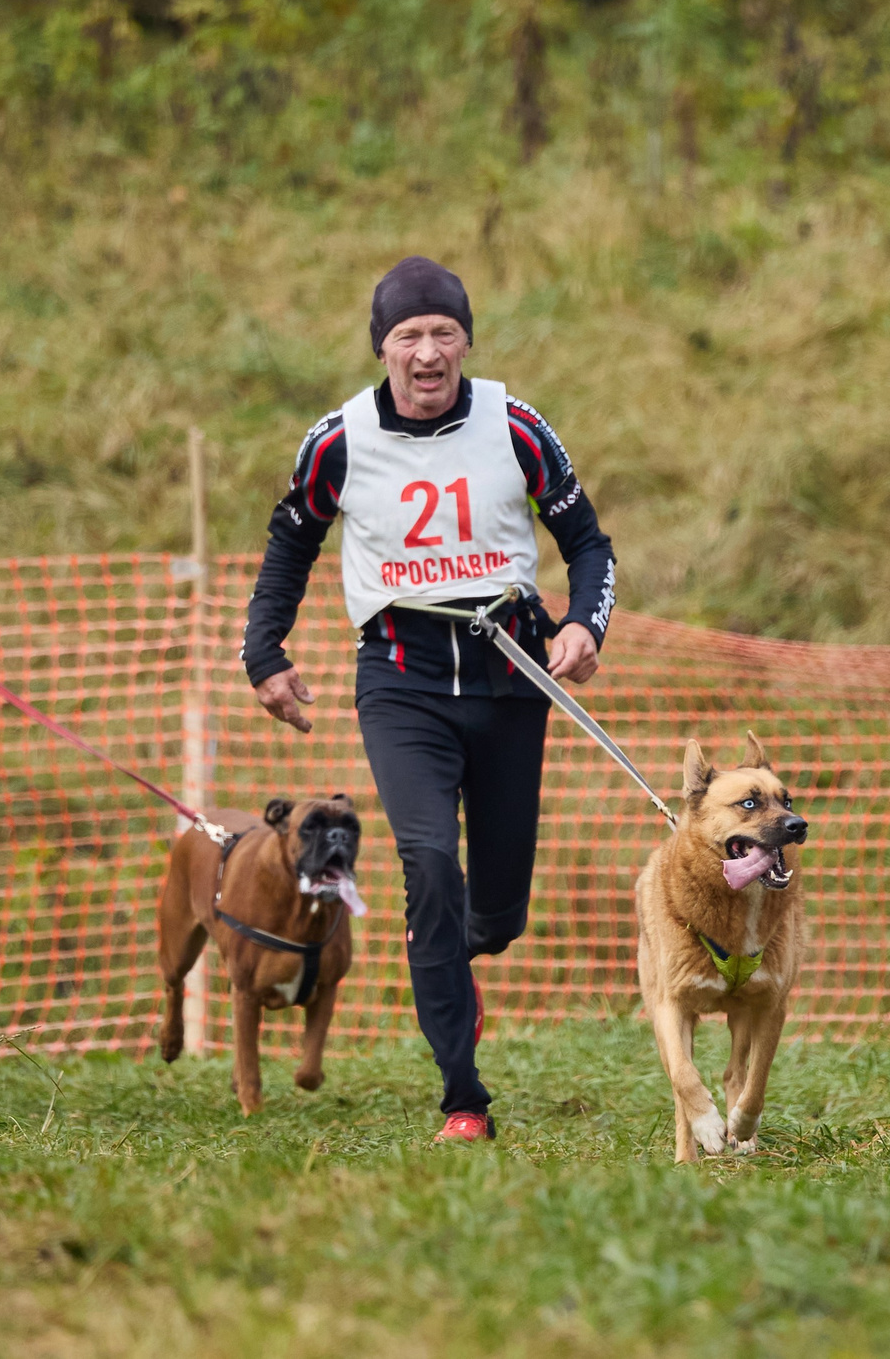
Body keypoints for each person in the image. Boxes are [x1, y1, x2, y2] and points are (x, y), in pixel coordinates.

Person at [243, 256, 616, 1142]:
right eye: (407, 335)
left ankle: (457, 951)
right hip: (401, 677)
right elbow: (289, 544)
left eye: (443, 332)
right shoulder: (335, 440)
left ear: (465, 341)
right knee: (426, 865)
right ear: (382, 348)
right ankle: (463, 1096)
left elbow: (588, 541)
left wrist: (583, 627)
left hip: (509, 674)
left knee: (498, 906)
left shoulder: (516, 424)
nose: (425, 353)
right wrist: (265, 652)